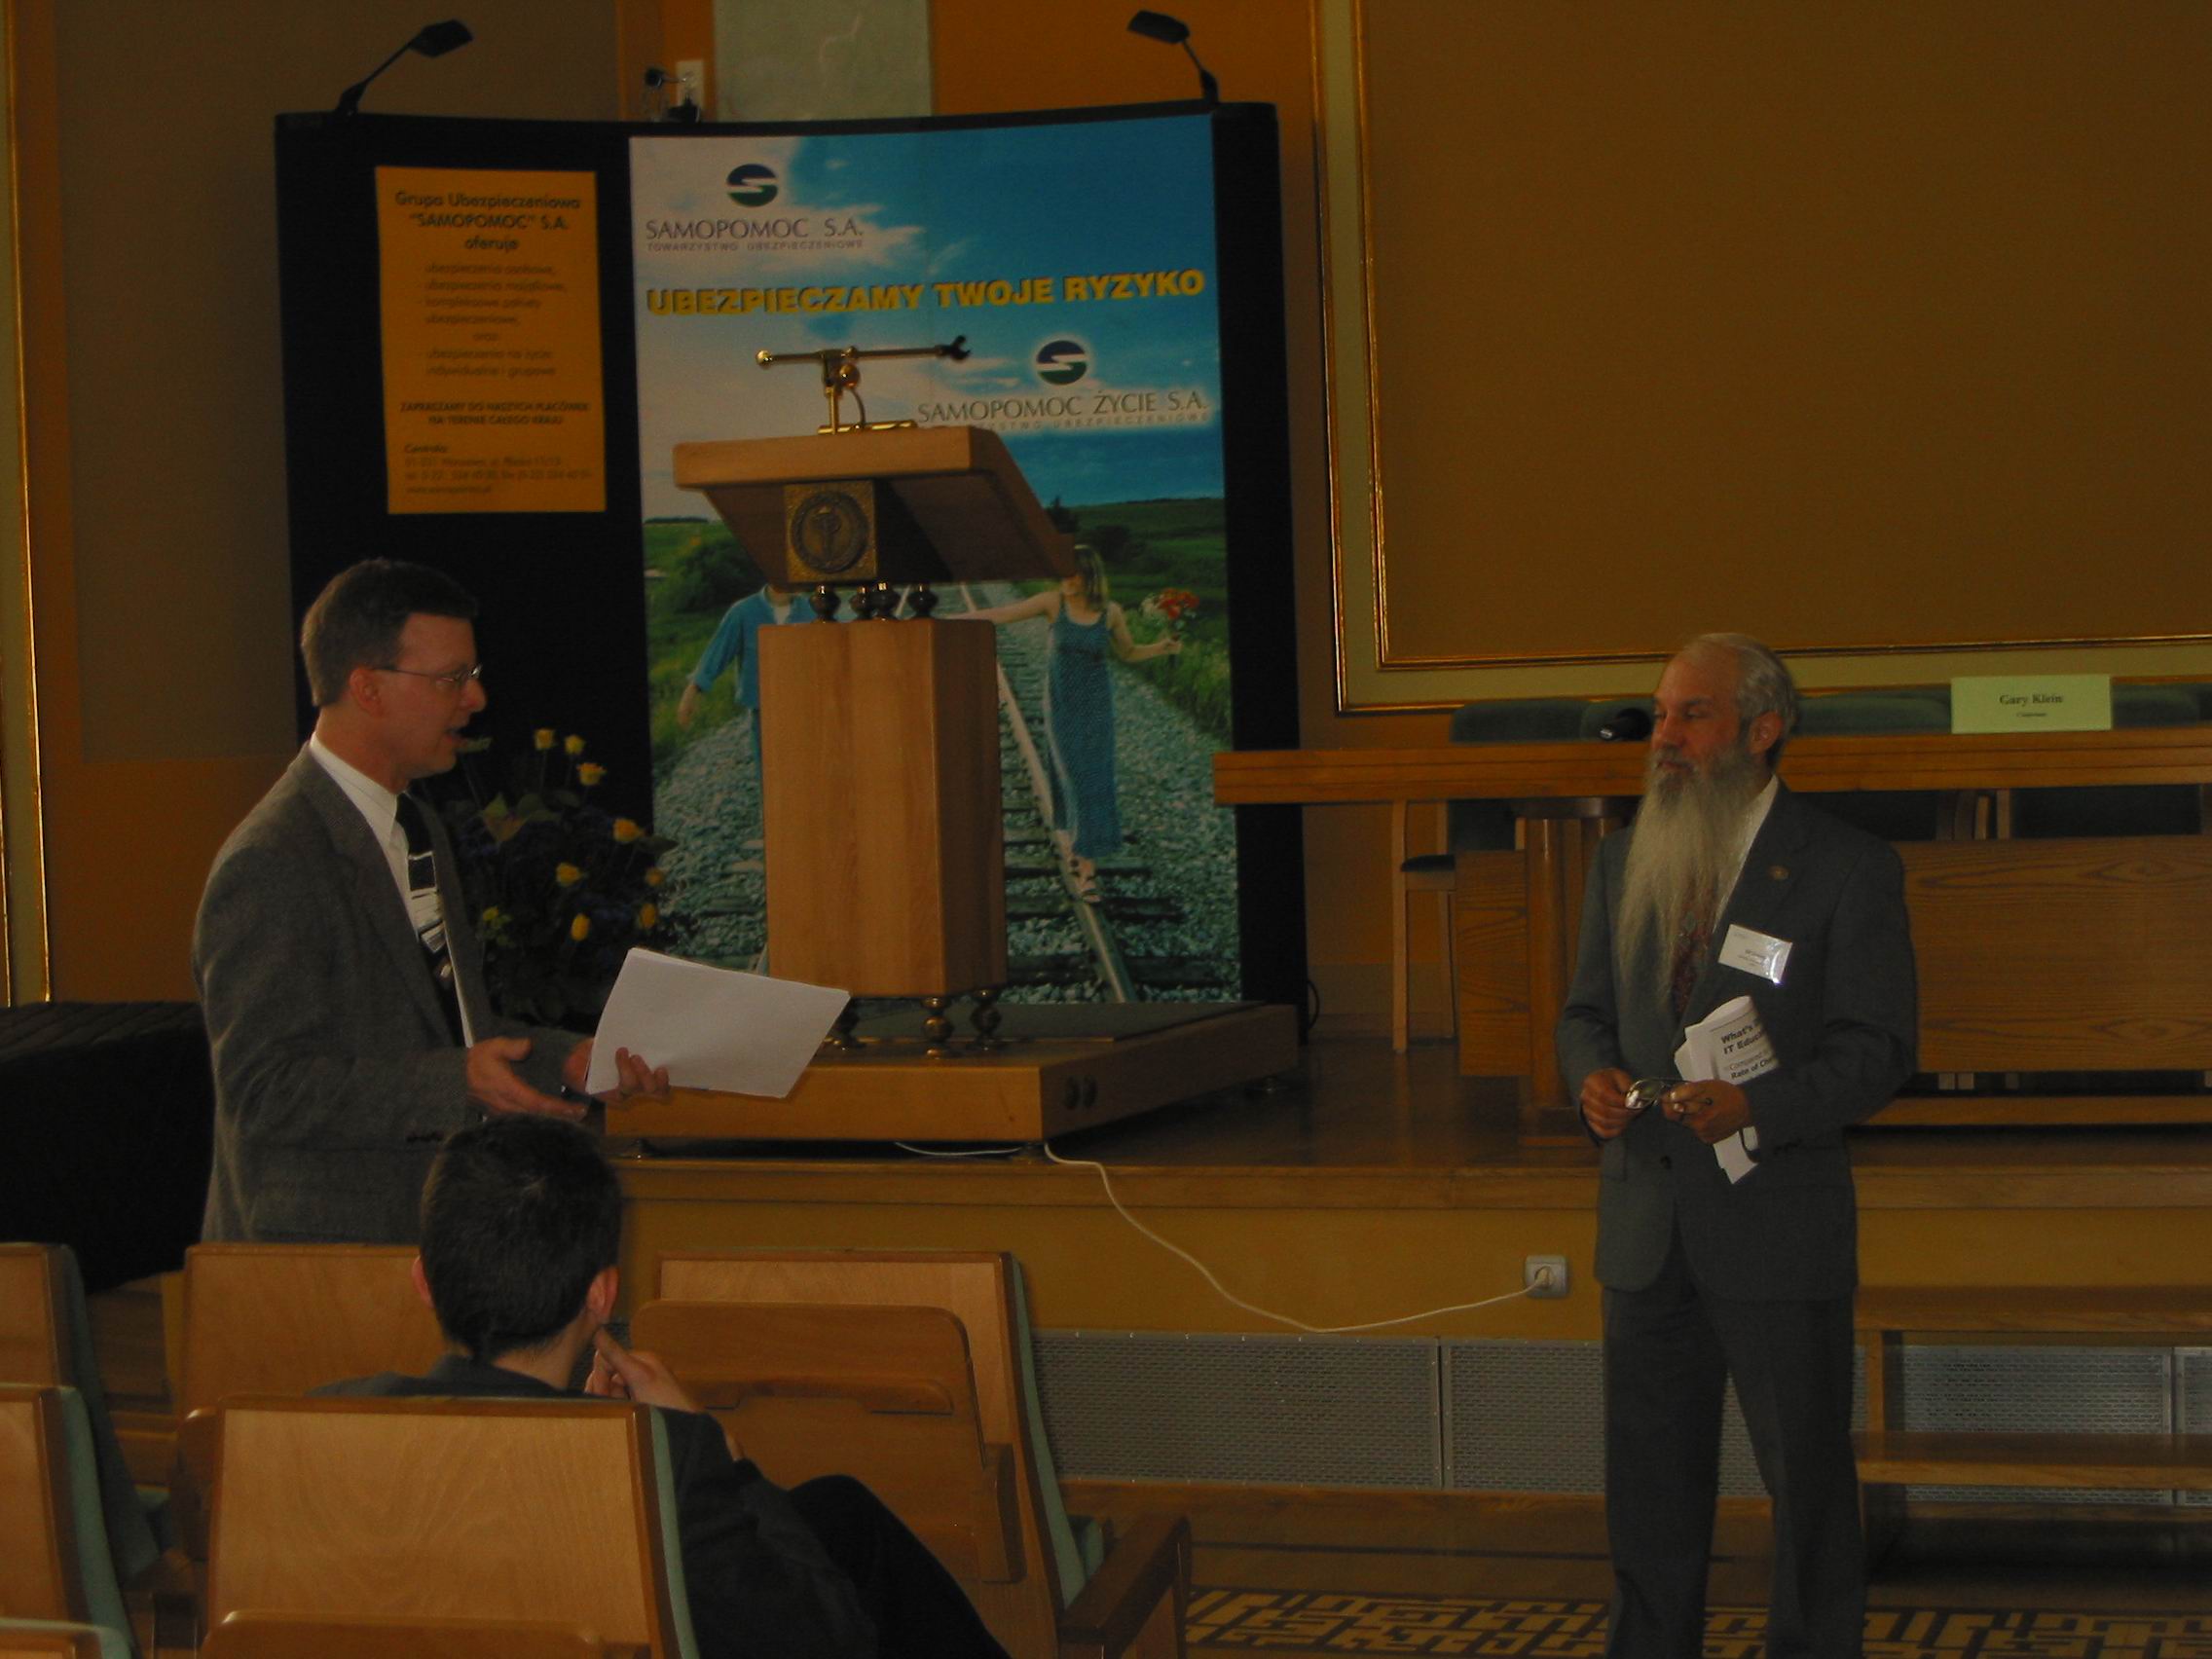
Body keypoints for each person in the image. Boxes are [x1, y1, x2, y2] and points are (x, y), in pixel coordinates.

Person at [321, 1115, 1009, 1659]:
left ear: (423, 1280)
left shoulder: (331, 1419)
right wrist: (723, 1454)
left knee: (838, 1513)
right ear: (601, 1294)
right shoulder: (667, 1455)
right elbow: (834, 1642)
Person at [1556, 633, 1917, 1659]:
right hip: (1645, 1223)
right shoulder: (1622, 858)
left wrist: (1757, 1106)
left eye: (1693, 715)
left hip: (1775, 1221)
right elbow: (1584, 1016)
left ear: (1763, 730)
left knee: (1805, 1480)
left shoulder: (1845, 866)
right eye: (1662, 713)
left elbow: (1878, 1050)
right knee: (1648, 1484)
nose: (1663, 736)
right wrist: (1590, 1080)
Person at [194, 558, 667, 1245]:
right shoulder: (272, 860)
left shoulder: (417, 825)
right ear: (367, 688)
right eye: (452, 678)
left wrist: (565, 1057)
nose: (476, 698)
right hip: (317, 1260)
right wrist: (457, 1083)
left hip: (428, 1233)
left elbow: (447, 1024)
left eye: (471, 675)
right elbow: (264, 1090)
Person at [963, 546, 1181, 903]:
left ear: (1088, 575)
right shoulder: (1053, 603)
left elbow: (1127, 653)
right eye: (1061, 572)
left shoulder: (1110, 612)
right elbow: (1002, 614)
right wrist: (950, 619)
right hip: (1062, 708)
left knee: (1093, 781)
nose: (1064, 578)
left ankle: (1083, 862)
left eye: (1072, 572)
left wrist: (1161, 648)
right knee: (1073, 779)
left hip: (1097, 711)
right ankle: (1081, 856)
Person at [676, 580, 819, 767]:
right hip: (762, 709)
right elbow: (718, 651)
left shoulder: (813, 610)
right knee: (769, 770)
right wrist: (692, 691)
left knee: (805, 766)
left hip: (805, 708)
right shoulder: (743, 612)